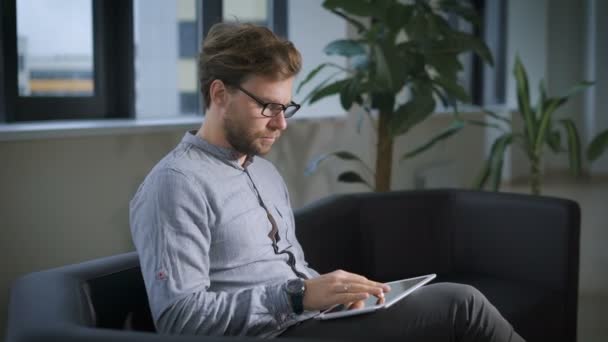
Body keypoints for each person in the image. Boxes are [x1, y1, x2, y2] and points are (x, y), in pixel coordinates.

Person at [129, 22, 525, 341]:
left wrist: (339, 295)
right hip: (272, 334)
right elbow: (178, 319)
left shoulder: (263, 171)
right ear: (219, 94)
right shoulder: (176, 184)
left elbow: (288, 273)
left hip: (308, 322)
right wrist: (299, 297)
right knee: (463, 305)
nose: (281, 123)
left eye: (286, 108)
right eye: (268, 106)